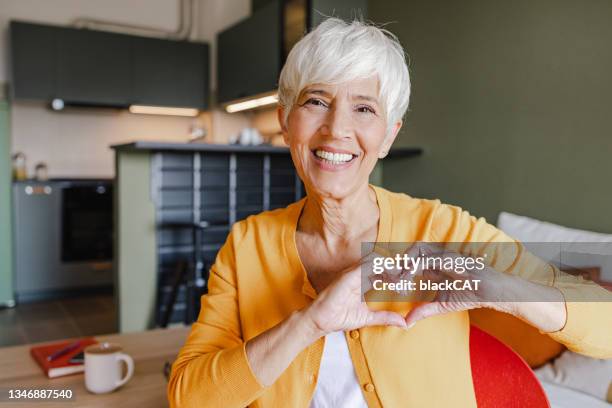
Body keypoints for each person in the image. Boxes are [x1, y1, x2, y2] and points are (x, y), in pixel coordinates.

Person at [167, 18, 611, 408]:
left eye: (364, 108)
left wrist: (503, 289)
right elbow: (190, 398)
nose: (337, 128)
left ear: (388, 136)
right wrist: (310, 322)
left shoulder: (443, 229)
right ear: (286, 122)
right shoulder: (248, 246)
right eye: (316, 101)